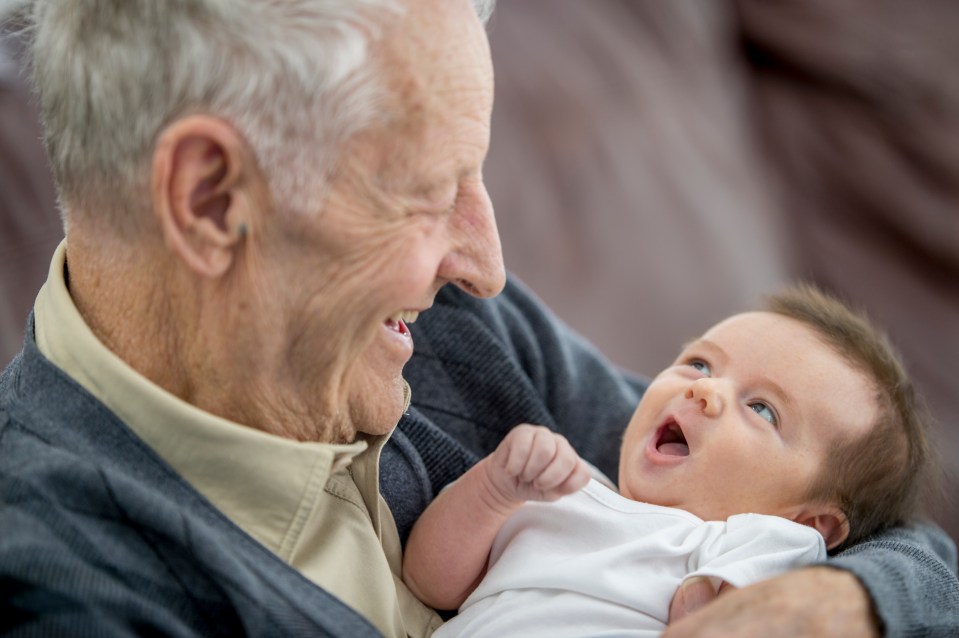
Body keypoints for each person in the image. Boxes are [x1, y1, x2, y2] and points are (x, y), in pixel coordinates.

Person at [0, 1, 955, 637]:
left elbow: (873, 526)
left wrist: (846, 604)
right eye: (427, 192)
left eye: (478, 176)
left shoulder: (451, 328)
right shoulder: (66, 578)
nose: (486, 265)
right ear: (210, 202)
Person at [402, 286, 937, 636]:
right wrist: (495, 490)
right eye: (699, 362)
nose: (705, 389)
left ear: (808, 520)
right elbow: (430, 583)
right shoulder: (562, 487)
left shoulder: (762, 545)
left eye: (762, 409)